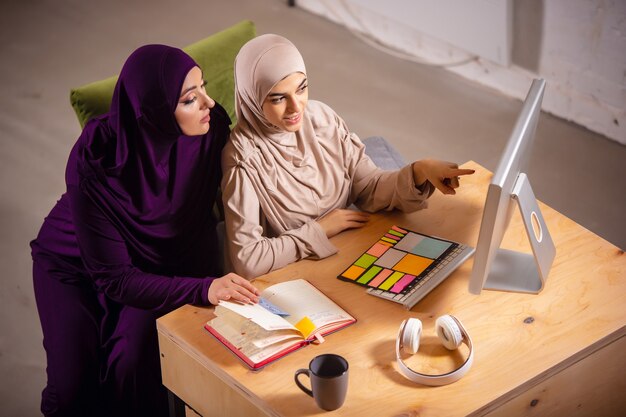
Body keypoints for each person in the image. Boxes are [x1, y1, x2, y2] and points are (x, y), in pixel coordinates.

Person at [30, 44, 260, 417]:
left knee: (133, 366)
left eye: (203, 87)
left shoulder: (210, 129)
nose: (210, 103)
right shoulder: (95, 159)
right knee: (73, 393)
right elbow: (115, 278)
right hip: (75, 266)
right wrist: (204, 287)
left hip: (155, 264)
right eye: (190, 98)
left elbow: (224, 196)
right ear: (152, 112)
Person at [221, 34, 475, 278]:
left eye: (301, 89)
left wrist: (420, 171)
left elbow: (368, 187)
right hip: (300, 273)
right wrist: (321, 230)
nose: (296, 107)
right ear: (252, 98)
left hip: (352, 249)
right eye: (278, 98)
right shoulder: (242, 159)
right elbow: (248, 259)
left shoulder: (321, 119)